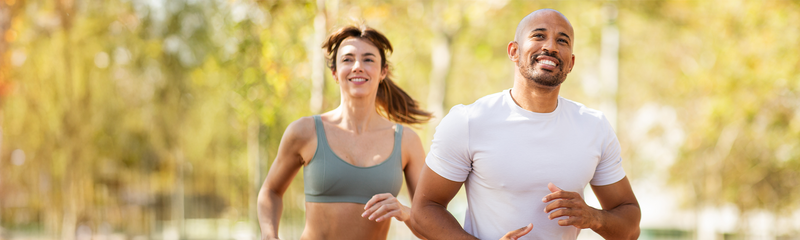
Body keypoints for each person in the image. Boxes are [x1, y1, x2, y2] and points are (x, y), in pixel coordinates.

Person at [410, 9, 641, 240]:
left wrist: (593, 217)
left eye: (562, 40)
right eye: (539, 36)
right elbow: (424, 210)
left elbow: (630, 228)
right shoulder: (469, 121)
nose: (550, 46)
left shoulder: (594, 127)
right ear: (514, 51)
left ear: (570, 63)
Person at [257, 25, 430, 240]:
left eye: (368, 59)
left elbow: (430, 222)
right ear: (335, 72)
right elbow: (270, 192)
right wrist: (269, 234)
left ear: (383, 71)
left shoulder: (406, 141)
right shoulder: (304, 131)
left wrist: (405, 212)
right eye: (348, 59)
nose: (358, 66)